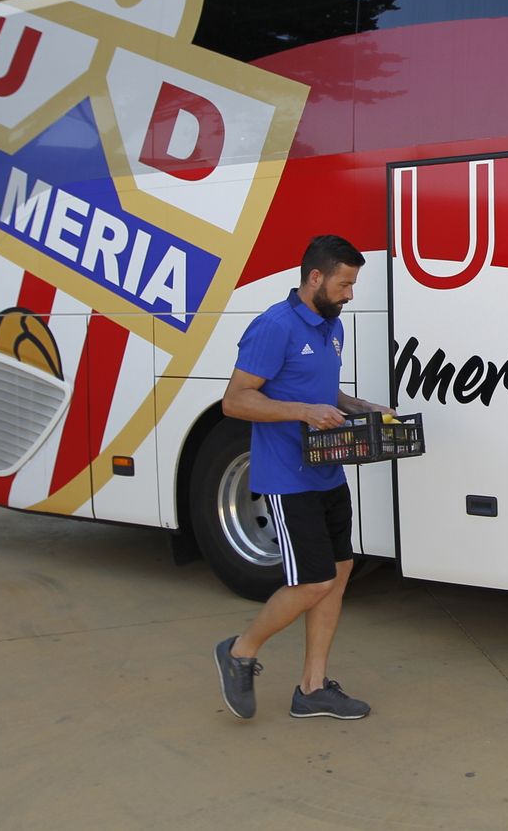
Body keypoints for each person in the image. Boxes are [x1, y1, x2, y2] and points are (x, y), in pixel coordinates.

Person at [212, 234, 392, 721]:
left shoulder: (332, 326)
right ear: (315, 277)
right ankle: (239, 651)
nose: (350, 294)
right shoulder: (274, 326)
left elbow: (323, 391)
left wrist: (360, 406)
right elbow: (236, 400)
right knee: (313, 582)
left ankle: (312, 688)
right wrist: (303, 412)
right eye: (344, 284)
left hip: (327, 472)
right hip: (287, 478)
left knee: (339, 572)